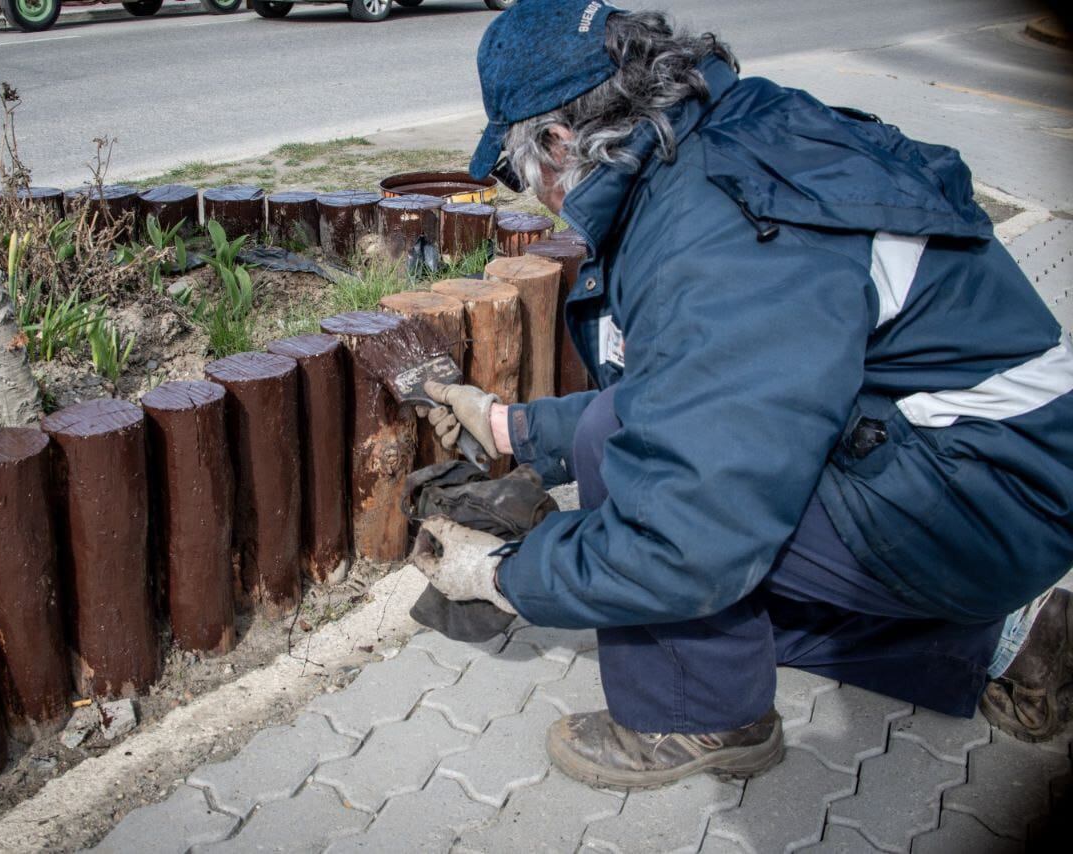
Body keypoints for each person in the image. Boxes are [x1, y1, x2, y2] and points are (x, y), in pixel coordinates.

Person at [409, 0, 1073, 790]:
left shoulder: (719, 229)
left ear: (559, 142)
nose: (534, 194)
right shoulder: (719, 135)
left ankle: (695, 720)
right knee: (731, 604)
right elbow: (703, 393)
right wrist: (512, 427)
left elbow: (687, 527)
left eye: (521, 173)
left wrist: (506, 576)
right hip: (989, 463)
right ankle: (1011, 641)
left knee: (669, 524)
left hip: (993, 494)